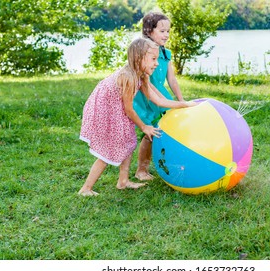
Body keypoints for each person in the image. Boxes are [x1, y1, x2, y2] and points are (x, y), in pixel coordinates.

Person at [78, 37, 196, 196]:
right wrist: (144, 126)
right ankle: (86, 188)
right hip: (106, 110)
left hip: (118, 108)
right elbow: (128, 109)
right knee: (109, 150)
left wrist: (184, 104)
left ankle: (123, 181)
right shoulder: (129, 77)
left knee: (129, 141)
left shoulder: (142, 75)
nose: (157, 63)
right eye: (153, 59)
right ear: (139, 58)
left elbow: (159, 100)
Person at [133, 11, 183, 181]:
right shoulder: (143, 51)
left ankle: (168, 161)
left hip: (161, 95)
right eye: (162, 31)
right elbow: (144, 80)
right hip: (147, 98)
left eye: (168, 31)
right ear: (149, 31)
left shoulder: (166, 54)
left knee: (165, 129)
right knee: (150, 133)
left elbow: (172, 79)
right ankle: (141, 170)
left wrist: (181, 100)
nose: (166, 35)